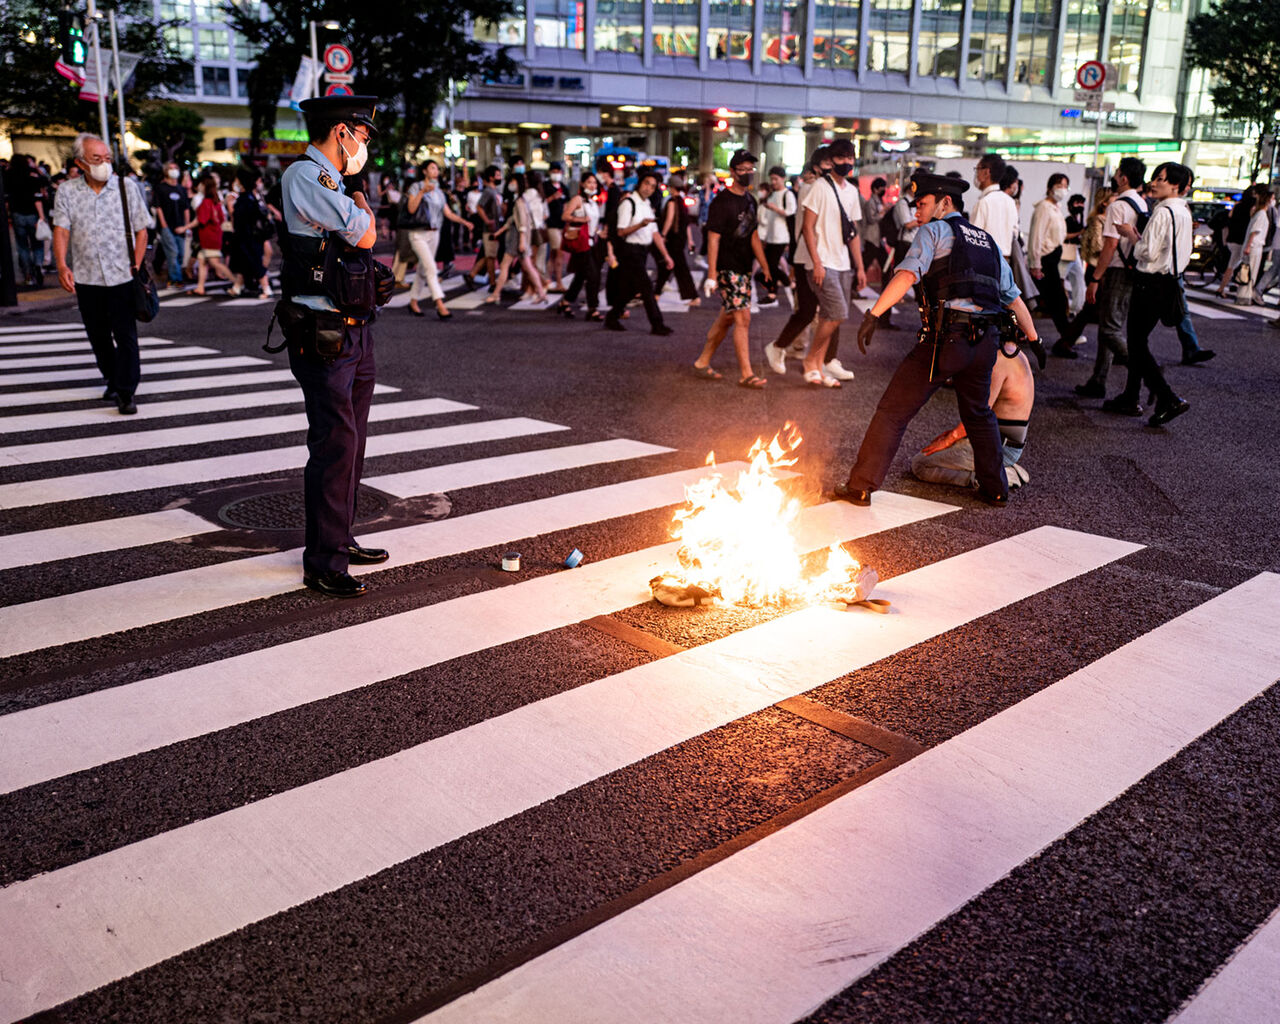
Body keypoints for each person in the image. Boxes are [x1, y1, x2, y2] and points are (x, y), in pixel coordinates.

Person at [833, 172, 1039, 508]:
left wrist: (873, 314)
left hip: (946, 341)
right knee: (979, 414)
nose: (917, 211)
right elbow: (1012, 297)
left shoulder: (934, 230)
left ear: (945, 202)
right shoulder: (987, 241)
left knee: (893, 412)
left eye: (923, 204)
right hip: (985, 344)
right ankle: (996, 488)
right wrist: (1034, 338)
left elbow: (907, 274)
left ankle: (860, 485)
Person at [276, 94, 386, 598]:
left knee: (353, 442)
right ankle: (323, 561)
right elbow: (365, 234)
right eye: (362, 135)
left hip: (352, 325)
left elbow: (360, 233)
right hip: (323, 331)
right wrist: (360, 209)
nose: (364, 145)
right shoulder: (308, 176)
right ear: (341, 131)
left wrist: (356, 205)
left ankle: (340, 539)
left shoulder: (336, 181)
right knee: (335, 444)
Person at [51, 133, 153, 416]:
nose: (104, 164)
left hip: (122, 275)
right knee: (98, 336)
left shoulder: (126, 187)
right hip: (87, 277)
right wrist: (61, 265)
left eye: (107, 158)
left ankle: (126, 391)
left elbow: (142, 229)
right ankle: (112, 377)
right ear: (80, 163)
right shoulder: (67, 191)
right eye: (97, 159)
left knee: (126, 335)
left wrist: (135, 263)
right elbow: (61, 229)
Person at [1101, 161, 1194, 427]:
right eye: (1155, 178)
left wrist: (1132, 235)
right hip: (1168, 282)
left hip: (1149, 282)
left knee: (1137, 345)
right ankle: (1131, 396)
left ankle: (1167, 396)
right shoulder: (1183, 212)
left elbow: (1146, 252)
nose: (1154, 183)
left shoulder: (1163, 213)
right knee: (1138, 341)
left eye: (1161, 179)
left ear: (1175, 185)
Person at [692, 149, 771, 387]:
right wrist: (712, 275)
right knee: (742, 317)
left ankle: (702, 362)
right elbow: (713, 239)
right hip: (727, 267)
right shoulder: (721, 202)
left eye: (751, 169)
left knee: (727, 318)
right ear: (733, 172)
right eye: (743, 169)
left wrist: (765, 267)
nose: (748, 173)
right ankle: (747, 374)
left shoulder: (750, 200)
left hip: (744, 267)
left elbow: (754, 235)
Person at [910, 346, 1034, 493]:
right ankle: (999, 468)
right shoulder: (1016, 353)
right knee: (937, 453)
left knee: (921, 464)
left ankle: (997, 476)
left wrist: (951, 438)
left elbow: (980, 412)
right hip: (1006, 444)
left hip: (997, 447)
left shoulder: (999, 362)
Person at [797, 138, 867, 388]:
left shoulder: (851, 191)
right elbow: (807, 228)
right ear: (832, 160)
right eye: (841, 158)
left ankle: (818, 366)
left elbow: (853, 233)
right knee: (838, 314)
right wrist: (816, 262)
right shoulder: (819, 187)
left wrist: (860, 267)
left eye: (850, 158)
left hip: (843, 263)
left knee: (830, 316)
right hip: (823, 263)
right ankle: (810, 361)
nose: (846, 162)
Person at [1074, 156, 1146, 398]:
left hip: (1116, 271)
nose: (1115, 176)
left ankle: (1149, 372)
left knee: (1109, 331)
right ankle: (1098, 380)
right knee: (1111, 326)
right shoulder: (1142, 204)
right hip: (1135, 271)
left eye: (1117, 173)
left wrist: (1095, 278)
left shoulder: (1117, 205)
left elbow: (1110, 246)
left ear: (1123, 178)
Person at [605, 169, 674, 335]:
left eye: (653, 186)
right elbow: (621, 231)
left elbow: (654, 232)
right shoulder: (629, 203)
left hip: (642, 251)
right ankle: (657, 324)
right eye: (646, 184)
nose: (648, 188)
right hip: (630, 251)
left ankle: (612, 316)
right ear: (639, 183)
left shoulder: (646, 205)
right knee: (646, 288)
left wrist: (666, 255)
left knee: (630, 289)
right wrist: (639, 225)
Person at [404, 159, 471, 319]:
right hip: (418, 233)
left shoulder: (439, 192)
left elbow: (447, 213)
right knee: (432, 268)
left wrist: (464, 222)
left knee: (423, 269)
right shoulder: (416, 187)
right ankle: (440, 304)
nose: (436, 172)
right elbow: (411, 208)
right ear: (425, 171)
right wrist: (422, 192)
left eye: (436, 169)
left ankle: (413, 302)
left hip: (435, 233)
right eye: (432, 168)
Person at [487, 172, 548, 305]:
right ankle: (541, 292)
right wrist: (500, 231)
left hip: (518, 236)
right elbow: (512, 219)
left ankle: (496, 294)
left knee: (505, 265)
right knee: (528, 266)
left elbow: (522, 221)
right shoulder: (521, 199)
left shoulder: (521, 200)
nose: (511, 184)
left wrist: (521, 240)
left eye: (513, 181)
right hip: (521, 236)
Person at [1028, 173, 1072, 336]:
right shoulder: (1044, 207)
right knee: (1055, 299)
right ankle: (1067, 336)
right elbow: (1036, 236)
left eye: (1065, 186)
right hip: (1045, 260)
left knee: (1054, 299)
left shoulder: (1056, 208)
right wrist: (1035, 264)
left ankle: (1067, 335)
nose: (1063, 189)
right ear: (1050, 188)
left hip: (1053, 258)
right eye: (1059, 185)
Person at [558, 171, 605, 320]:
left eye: (594, 183)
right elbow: (564, 216)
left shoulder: (593, 201)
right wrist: (581, 219)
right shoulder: (577, 199)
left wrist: (598, 231)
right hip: (581, 243)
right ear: (582, 184)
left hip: (591, 242)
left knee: (581, 275)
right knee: (593, 275)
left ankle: (565, 302)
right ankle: (593, 308)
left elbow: (592, 222)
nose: (592, 185)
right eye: (589, 182)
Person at [655, 178, 701, 307]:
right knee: (670, 266)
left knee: (676, 267)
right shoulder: (682, 202)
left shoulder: (672, 202)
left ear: (672, 187)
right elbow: (686, 224)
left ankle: (694, 296)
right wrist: (690, 240)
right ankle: (656, 293)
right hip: (680, 239)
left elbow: (669, 220)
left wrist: (663, 234)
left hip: (673, 239)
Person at [231, 166, 273, 299]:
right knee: (244, 263)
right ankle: (236, 288)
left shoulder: (244, 199)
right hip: (252, 236)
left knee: (253, 262)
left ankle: (266, 289)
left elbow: (240, 219)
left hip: (247, 237)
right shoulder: (251, 198)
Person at [7, 154, 48, 288]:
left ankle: (28, 275)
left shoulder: (8, 176)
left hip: (17, 214)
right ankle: (38, 265)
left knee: (22, 246)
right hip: (33, 214)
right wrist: (42, 217)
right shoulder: (32, 176)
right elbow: (38, 197)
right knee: (37, 243)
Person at [756, 165, 795, 305]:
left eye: (776, 179)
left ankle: (776, 292)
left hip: (781, 236)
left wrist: (775, 208)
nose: (773, 182)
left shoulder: (787, 194)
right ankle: (780, 288)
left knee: (771, 265)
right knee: (768, 265)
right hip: (771, 235)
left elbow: (791, 212)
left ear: (783, 179)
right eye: (771, 179)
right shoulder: (772, 194)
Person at [463, 164, 504, 291]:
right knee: (490, 256)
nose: (500, 177)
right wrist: (487, 221)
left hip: (496, 227)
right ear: (491, 178)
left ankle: (472, 275)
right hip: (490, 229)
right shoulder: (487, 191)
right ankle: (492, 282)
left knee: (489, 255)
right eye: (497, 175)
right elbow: (479, 207)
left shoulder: (495, 191)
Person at [192, 174, 234, 295]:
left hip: (208, 237)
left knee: (215, 264)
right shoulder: (217, 202)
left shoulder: (206, 202)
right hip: (216, 235)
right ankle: (200, 287)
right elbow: (221, 218)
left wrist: (185, 228)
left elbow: (201, 220)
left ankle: (236, 282)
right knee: (202, 261)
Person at [970, 152, 1017, 258]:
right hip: (1006, 261)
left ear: (986, 173)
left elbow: (973, 239)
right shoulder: (1010, 202)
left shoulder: (984, 202)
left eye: (977, 169)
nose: (976, 174)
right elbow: (1015, 234)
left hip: (986, 261)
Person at [152, 161, 191, 286]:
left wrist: (187, 226)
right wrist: (164, 225)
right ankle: (175, 279)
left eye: (175, 168)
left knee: (180, 254)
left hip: (180, 226)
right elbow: (158, 208)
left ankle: (175, 276)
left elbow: (186, 208)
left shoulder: (181, 189)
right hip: (167, 227)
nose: (174, 170)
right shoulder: (160, 188)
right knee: (172, 252)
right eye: (171, 168)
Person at [1237, 188, 1273, 305]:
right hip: (1254, 246)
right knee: (1250, 272)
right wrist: (1248, 246)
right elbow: (1255, 231)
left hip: (1251, 246)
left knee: (1247, 271)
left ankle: (1243, 296)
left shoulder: (1257, 212)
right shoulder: (1261, 214)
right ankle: (1244, 297)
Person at [543, 162, 568, 291]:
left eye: (558, 171)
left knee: (554, 254)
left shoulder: (564, 187)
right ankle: (558, 281)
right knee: (558, 252)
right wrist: (553, 197)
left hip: (561, 224)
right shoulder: (545, 186)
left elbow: (566, 205)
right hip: (550, 224)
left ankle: (548, 279)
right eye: (554, 171)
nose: (557, 174)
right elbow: (541, 203)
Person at [860, 176, 889, 285]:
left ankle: (886, 288)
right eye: (882, 188)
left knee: (885, 263)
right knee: (865, 263)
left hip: (878, 239)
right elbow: (871, 219)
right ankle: (854, 286)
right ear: (875, 189)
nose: (883, 191)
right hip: (871, 238)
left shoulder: (879, 201)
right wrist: (882, 213)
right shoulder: (871, 202)